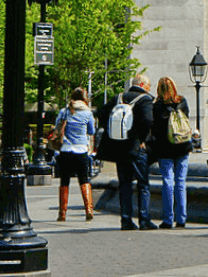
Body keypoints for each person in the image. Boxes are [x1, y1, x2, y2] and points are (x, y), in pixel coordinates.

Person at [106, 74, 155, 230]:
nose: (149, 89)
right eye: (149, 86)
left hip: (120, 148)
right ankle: (144, 219)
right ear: (142, 84)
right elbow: (148, 120)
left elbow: (102, 114)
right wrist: (142, 139)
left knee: (125, 185)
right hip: (136, 149)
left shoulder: (118, 98)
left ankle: (126, 220)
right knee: (143, 185)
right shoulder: (145, 99)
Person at [149, 76, 192, 229]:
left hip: (165, 149)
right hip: (183, 146)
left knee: (168, 181)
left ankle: (168, 219)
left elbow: (153, 129)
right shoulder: (182, 102)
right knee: (181, 182)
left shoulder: (157, 107)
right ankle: (181, 218)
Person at [53, 88, 96, 223]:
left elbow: (57, 128)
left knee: (64, 181)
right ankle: (88, 210)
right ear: (84, 98)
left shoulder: (65, 111)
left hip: (66, 149)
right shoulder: (87, 112)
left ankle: (62, 213)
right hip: (81, 149)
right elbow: (91, 130)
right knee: (84, 179)